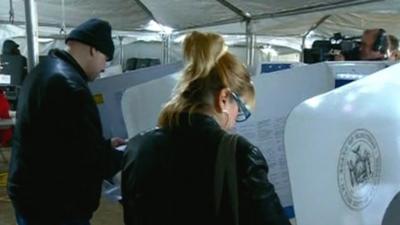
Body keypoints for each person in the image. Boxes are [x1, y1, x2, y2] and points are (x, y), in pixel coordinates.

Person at [121, 31, 290, 225]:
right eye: (240, 110)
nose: (235, 122)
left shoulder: (137, 148)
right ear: (224, 98)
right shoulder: (239, 153)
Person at [8, 18, 125, 225]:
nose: (104, 68)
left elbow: (61, 143)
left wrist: (106, 146)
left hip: (31, 196)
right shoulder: (70, 87)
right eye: (105, 59)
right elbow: (88, 161)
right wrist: (126, 154)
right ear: (93, 50)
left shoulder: (43, 71)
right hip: (56, 208)